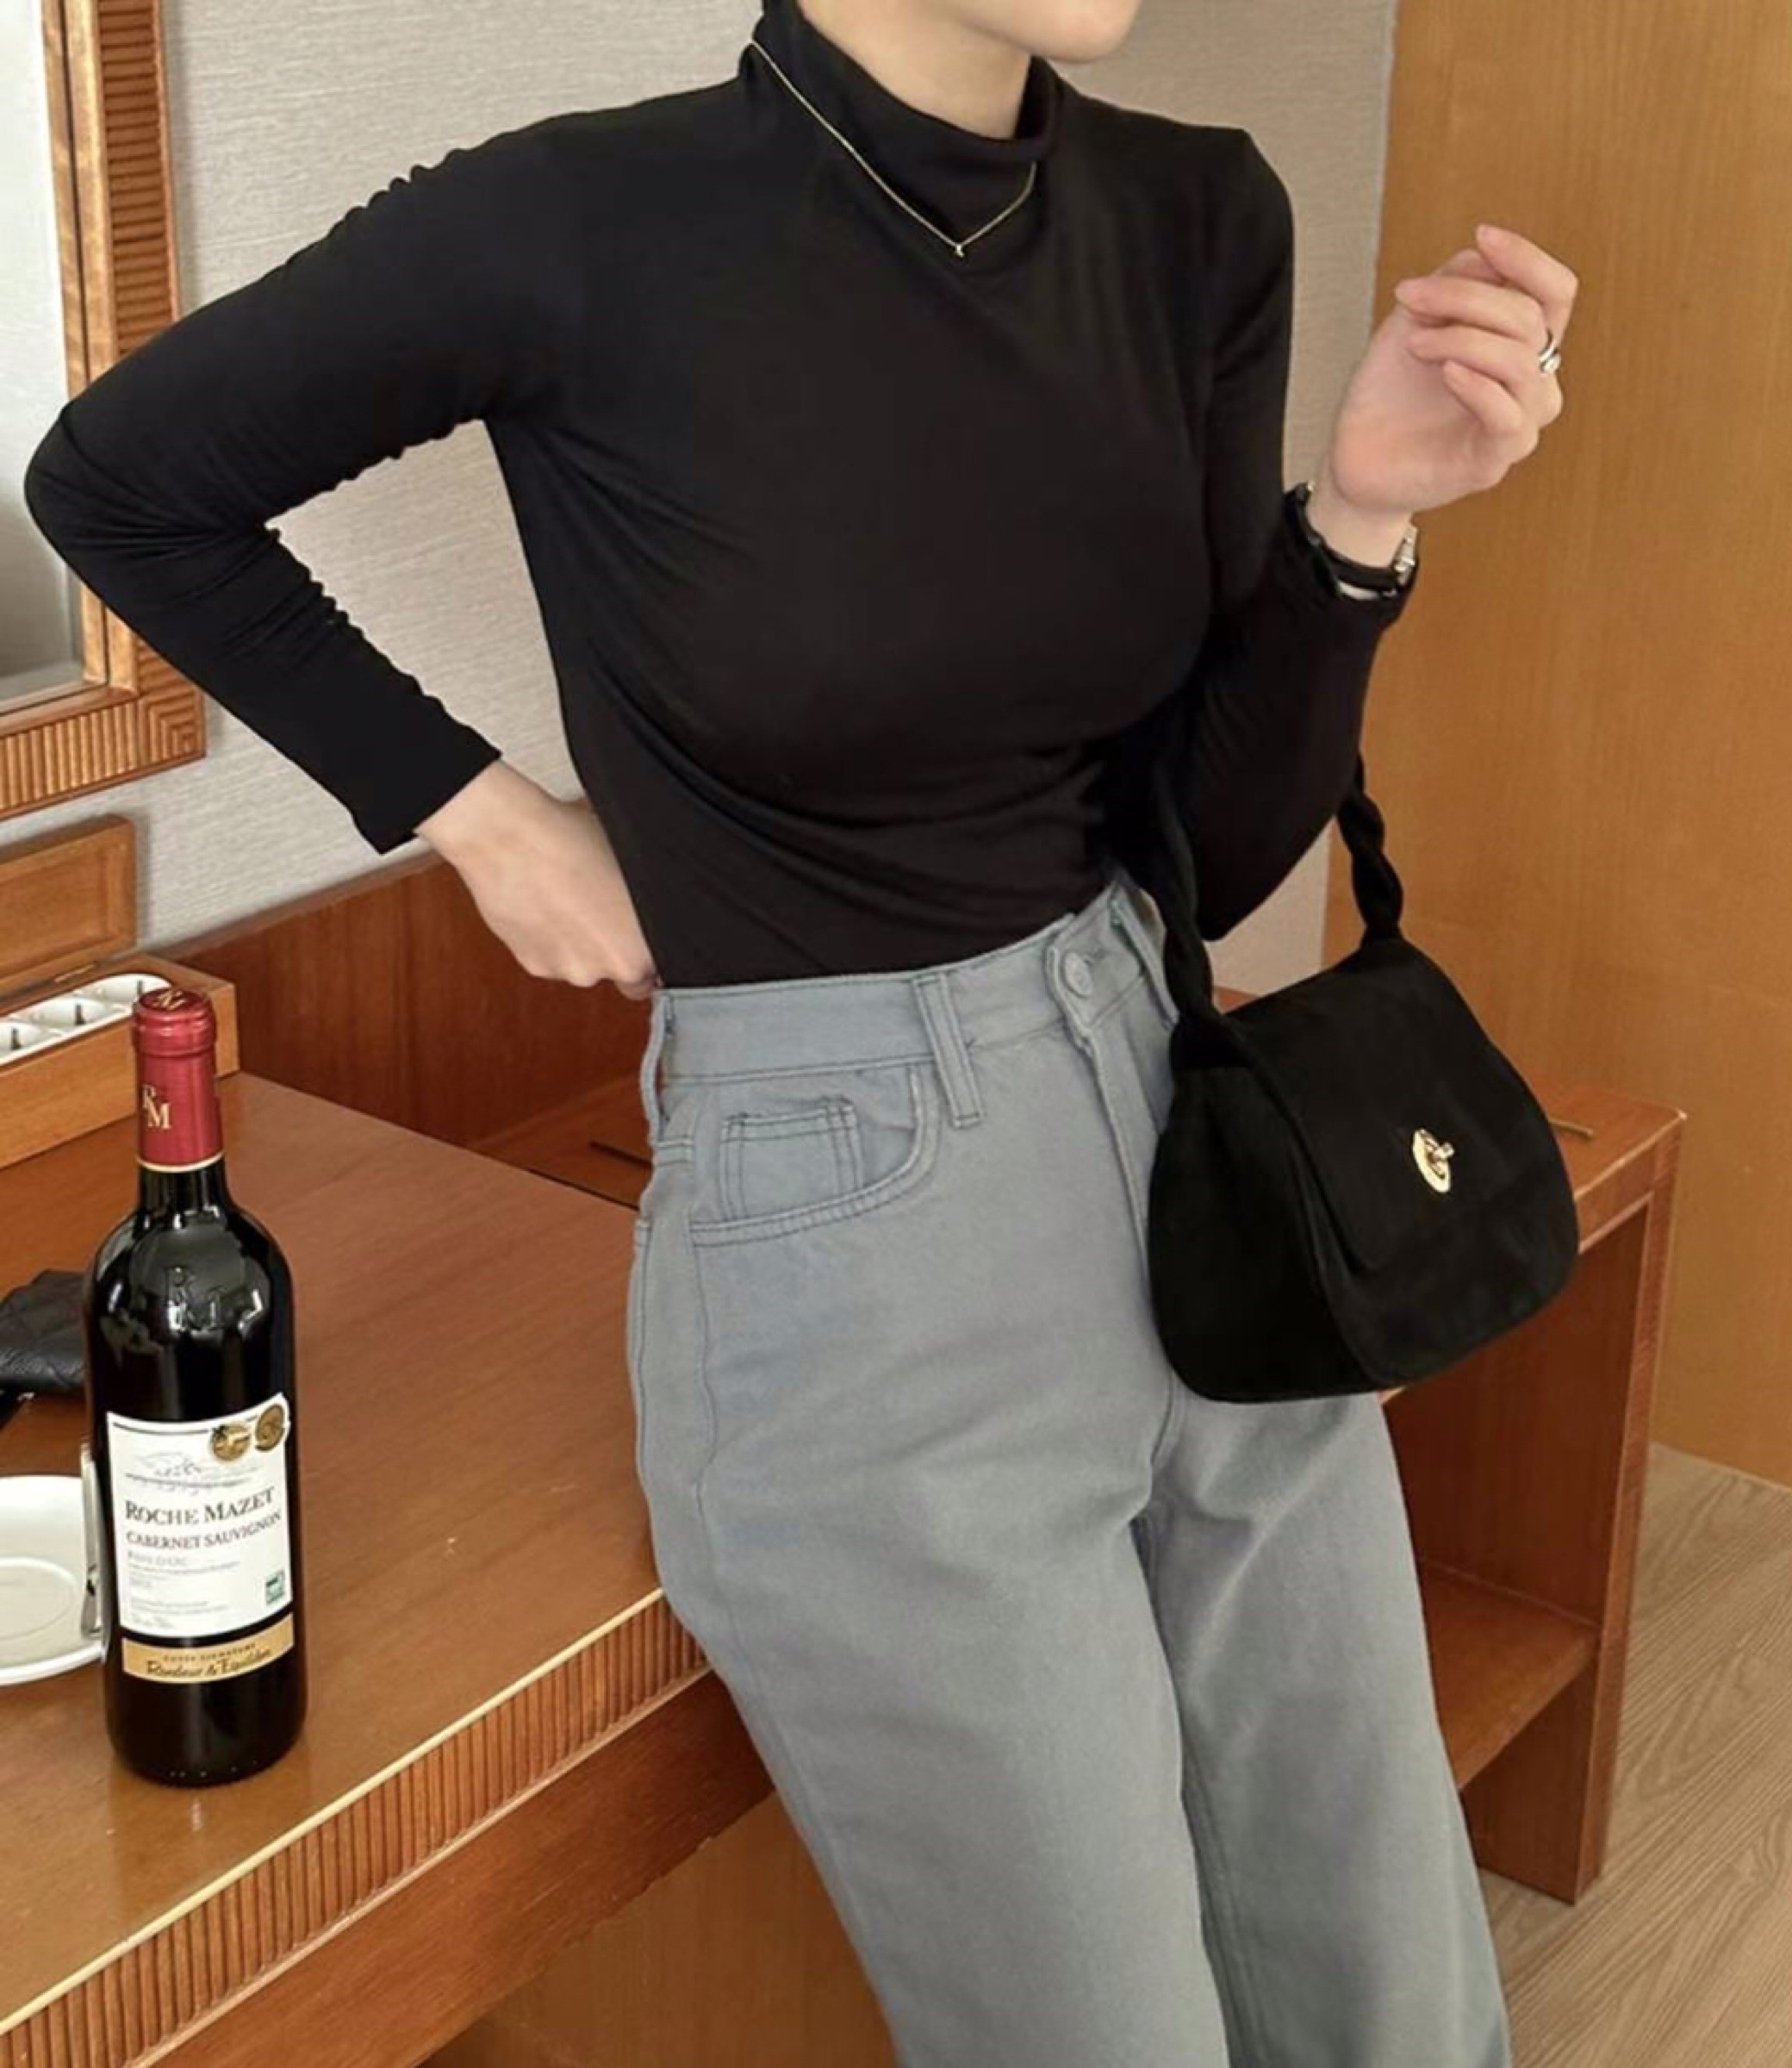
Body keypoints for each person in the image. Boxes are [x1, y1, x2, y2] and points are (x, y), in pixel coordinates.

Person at [24, 1, 1575, 2059]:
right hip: (855, 1233)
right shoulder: (578, 225)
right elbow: (119, 482)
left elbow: (1198, 840)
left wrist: (1359, 519)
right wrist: (477, 817)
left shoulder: (1195, 214)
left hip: (1191, 1124)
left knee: (1391, 1987)